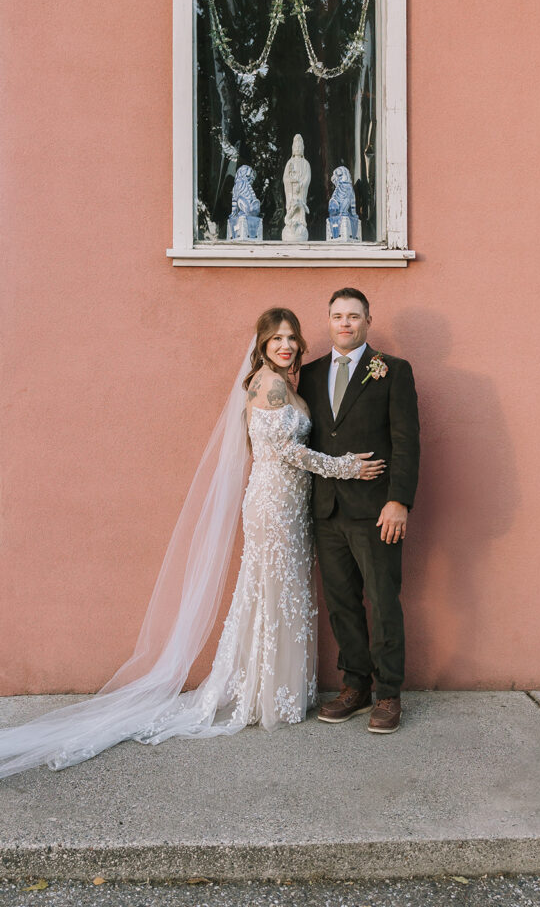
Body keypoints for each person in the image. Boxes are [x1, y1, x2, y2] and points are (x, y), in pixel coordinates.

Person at [0, 308, 384, 777]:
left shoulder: (289, 385)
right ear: (262, 345)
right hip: (272, 505)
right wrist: (346, 467)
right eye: (276, 339)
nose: (285, 346)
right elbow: (286, 451)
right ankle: (265, 696)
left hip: (293, 505)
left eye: (291, 338)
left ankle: (280, 692)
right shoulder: (267, 384)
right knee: (270, 592)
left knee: (286, 594)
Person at [298, 289, 420, 734]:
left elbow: (406, 442)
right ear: (328, 321)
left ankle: (388, 693)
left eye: (353, 316)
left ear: (368, 320)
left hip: (376, 510)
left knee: (383, 600)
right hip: (326, 509)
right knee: (341, 602)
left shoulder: (393, 370)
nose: (345, 323)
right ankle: (355, 686)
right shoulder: (309, 375)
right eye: (337, 316)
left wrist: (399, 501)